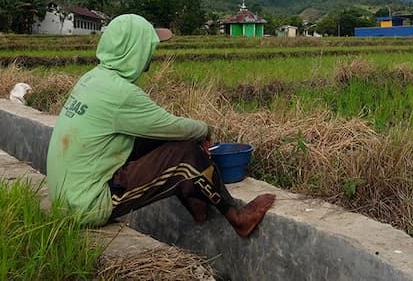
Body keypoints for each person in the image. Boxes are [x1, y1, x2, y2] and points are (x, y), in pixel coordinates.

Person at [46, 13, 275, 236]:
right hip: (88, 204)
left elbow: (161, 131)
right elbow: (174, 127)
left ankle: (196, 202)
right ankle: (238, 218)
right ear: (136, 51)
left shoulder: (92, 78)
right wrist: (205, 130)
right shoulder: (120, 93)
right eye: (149, 48)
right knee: (184, 152)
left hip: (68, 198)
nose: (152, 54)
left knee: (162, 141)